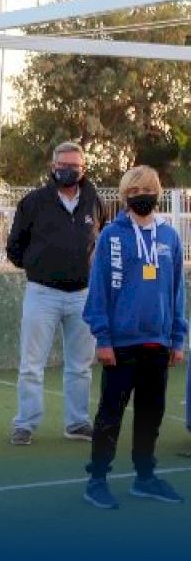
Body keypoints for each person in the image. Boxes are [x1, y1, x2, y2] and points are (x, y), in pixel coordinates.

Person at [80, 165, 186, 509]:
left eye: (148, 190)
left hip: (158, 343)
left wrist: (178, 338)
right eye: (135, 192)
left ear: (158, 193)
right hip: (120, 344)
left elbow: (177, 291)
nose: (143, 196)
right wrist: (103, 338)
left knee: (150, 414)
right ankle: (97, 480)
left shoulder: (170, 237)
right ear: (125, 196)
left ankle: (145, 477)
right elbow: (98, 290)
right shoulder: (112, 235)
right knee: (110, 414)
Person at [5, 141, 108, 445]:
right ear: (53, 167)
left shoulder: (94, 201)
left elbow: (102, 240)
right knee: (31, 365)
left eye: (74, 166)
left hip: (84, 296)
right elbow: (14, 246)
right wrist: (38, 267)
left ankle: (77, 423)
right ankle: (25, 424)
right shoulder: (33, 202)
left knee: (81, 367)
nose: (68, 170)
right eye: (63, 165)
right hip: (42, 294)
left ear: (83, 169)